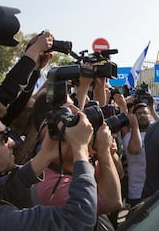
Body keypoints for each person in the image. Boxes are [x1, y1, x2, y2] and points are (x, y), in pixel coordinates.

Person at [0, 99, 98, 230]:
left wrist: (45, 154)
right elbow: (78, 220)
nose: (12, 141)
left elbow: (2, 190)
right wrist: (80, 150)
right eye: (4, 137)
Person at [30, 90, 123, 225]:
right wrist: (103, 151)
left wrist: (109, 152)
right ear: (51, 126)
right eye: (69, 109)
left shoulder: (73, 160)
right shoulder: (49, 184)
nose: (79, 111)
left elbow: (118, 175)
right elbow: (113, 201)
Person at [122, 103, 151, 207]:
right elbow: (135, 150)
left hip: (155, 189)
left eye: (145, 113)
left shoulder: (155, 134)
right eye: (138, 114)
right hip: (137, 191)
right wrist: (134, 126)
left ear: (150, 115)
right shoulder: (129, 137)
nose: (142, 115)